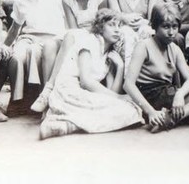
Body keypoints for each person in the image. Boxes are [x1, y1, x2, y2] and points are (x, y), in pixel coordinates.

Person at [39, 9, 143, 139]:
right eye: (111, 25)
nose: (117, 30)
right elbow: (86, 81)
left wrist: (120, 67)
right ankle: (63, 125)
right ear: (100, 28)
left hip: (83, 94)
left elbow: (110, 91)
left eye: (119, 26)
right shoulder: (88, 42)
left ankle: (68, 125)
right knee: (127, 109)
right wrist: (119, 97)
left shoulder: (109, 53)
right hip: (68, 91)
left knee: (130, 109)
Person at [124, 3, 189, 133]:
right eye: (165, 27)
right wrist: (151, 112)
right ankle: (168, 118)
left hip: (168, 93)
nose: (171, 32)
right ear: (155, 26)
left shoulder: (175, 49)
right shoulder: (144, 46)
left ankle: (171, 118)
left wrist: (180, 94)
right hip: (149, 95)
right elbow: (128, 84)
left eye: (174, 27)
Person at [29, 0, 107, 112]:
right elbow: (72, 27)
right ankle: (47, 98)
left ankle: (48, 90)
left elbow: (103, 25)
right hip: (77, 34)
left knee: (70, 36)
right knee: (50, 45)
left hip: (97, 36)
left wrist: (81, 33)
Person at [2, 0, 66, 116]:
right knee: (16, 55)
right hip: (29, 37)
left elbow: (68, 18)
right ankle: (18, 100)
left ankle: (44, 100)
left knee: (36, 52)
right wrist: (3, 47)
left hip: (53, 38)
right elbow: (15, 28)